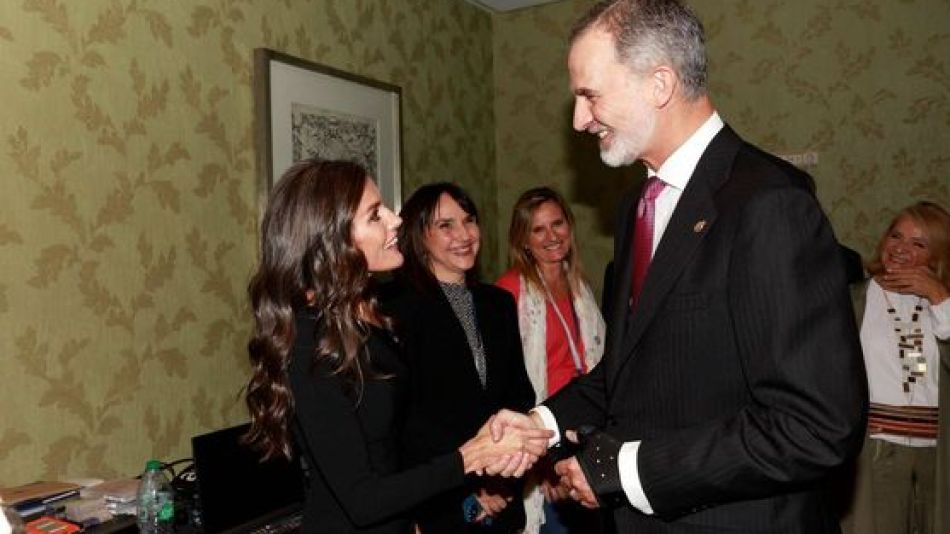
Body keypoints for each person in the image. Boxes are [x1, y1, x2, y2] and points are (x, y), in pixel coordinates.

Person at [490, 1, 868, 532]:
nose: (578, 120)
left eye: (589, 95)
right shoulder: (636, 206)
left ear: (659, 84)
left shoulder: (769, 204)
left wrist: (624, 468)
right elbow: (632, 370)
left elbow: (814, 427)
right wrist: (540, 423)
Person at [242, 160, 550, 533]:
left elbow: (389, 454)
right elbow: (361, 499)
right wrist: (470, 457)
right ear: (333, 237)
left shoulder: (364, 316)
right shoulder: (310, 339)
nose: (396, 220)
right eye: (375, 215)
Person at [382, 182, 538, 533]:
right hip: (439, 500)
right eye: (446, 225)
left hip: (504, 491)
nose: (464, 234)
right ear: (420, 237)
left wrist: (500, 474)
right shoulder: (397, 310)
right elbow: (406, 420)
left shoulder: (498, 303)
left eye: (469, 221)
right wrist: (471, 482)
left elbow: (518, 395)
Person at [496, 187, 606, 533]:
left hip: (586, 436)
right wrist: (543, 466)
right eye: (538, 229)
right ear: (523, 240)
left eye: (557, 224)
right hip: (542, 444)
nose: (552, 236)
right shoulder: (510, 291)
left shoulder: (580, 288)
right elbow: (506, 388)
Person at [841, 201, 949, 534]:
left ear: (939, 255)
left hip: (938, 456)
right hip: (874, 454)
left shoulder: (944, 304)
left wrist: (939, 297)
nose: (900, 249)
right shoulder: (849, 300)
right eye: (895, 236)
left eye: (919, 244)